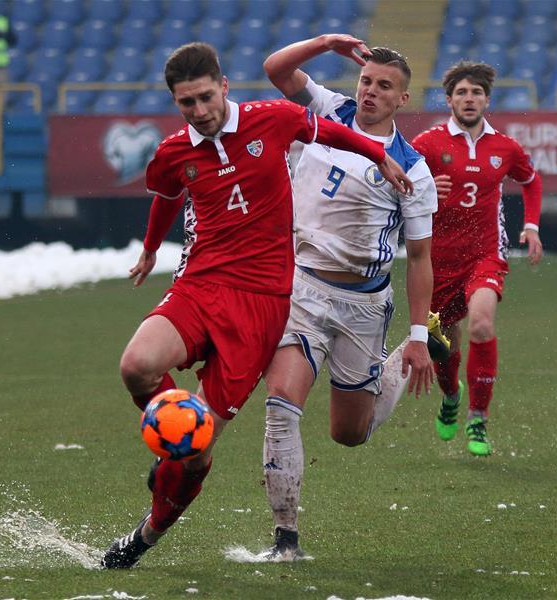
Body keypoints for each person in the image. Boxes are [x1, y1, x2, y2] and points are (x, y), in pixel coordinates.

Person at [100, 42, 413, 569]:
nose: (198, 112)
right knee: (136, 366)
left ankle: (145, 537)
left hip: (264, 304)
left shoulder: (273, 119)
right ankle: (173, 426)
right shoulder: (176, 150)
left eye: (204, 98)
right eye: (185, 104)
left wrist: (378, 154)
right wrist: (153, 245)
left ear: (224, 86)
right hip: (202, 284)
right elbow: (169, 192)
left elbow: (331, 131)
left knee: (197, 451)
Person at [257, 33, 439, 561]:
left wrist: (420, 335)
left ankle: (401, 362)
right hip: (303, 288)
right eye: (366, 81)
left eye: (385, 86)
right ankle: (285, 539)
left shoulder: (412, 166)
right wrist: (328, 42)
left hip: (364, 304)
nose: (371, 91)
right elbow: (276, 68)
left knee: (348, 435)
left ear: (403, 99)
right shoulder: (327, 110)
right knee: (280, 405)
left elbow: (421, 257)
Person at [411, 61, 544, 457]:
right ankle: (451, 396)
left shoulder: (505, 147)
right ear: (449, 98)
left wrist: (532, 226)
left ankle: (478, 418)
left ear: (487, 99)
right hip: (436, 260)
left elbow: (531, 180)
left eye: (477, 93)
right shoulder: (427, 143)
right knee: (444, 346)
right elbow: (398, 183)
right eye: (462, 93)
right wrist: (425, 187)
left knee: (482, 325)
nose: (469, 99)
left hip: (485, 253)